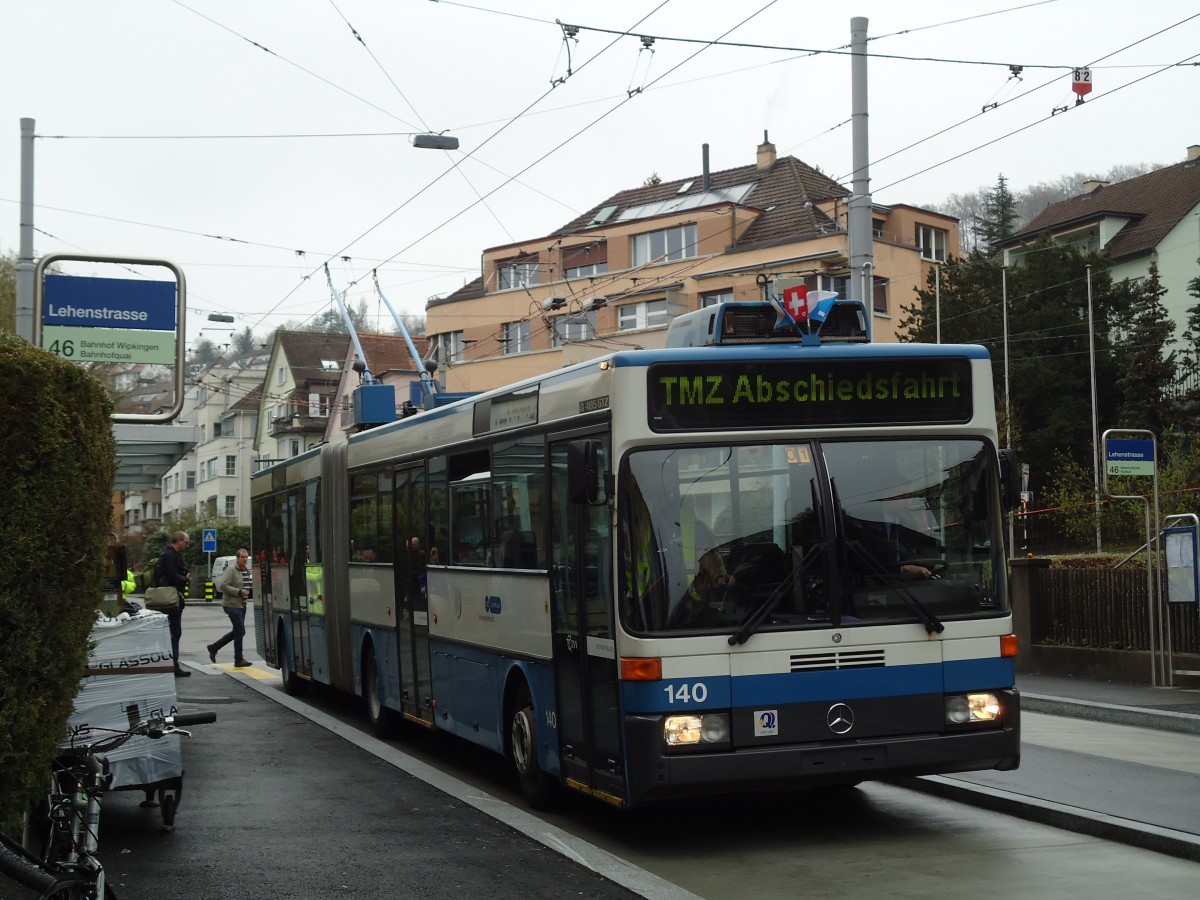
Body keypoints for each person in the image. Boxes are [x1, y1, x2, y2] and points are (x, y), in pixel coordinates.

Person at [153, 531, 191, 677]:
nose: (187, 546)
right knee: (175, 632)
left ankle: (171, 664)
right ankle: (173, 665)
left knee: (172, 632)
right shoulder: (170, 555)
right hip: (170, 598)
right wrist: (184, 579)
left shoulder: (171, 554)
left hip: (170, 598)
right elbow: (171, 575)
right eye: (186, 542)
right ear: (179, 541)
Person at [208, 548, 252, 668]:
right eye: (242, 557)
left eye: (246, 557)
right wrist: (238, 592)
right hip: (232, 604)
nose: (245, 559)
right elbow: (223, 586)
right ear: (237, 558)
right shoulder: (231, 570)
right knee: (240, 630)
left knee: (238, 631)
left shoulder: (246, 571)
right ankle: (238, 658)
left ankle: (215, 648)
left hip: (242, 605)